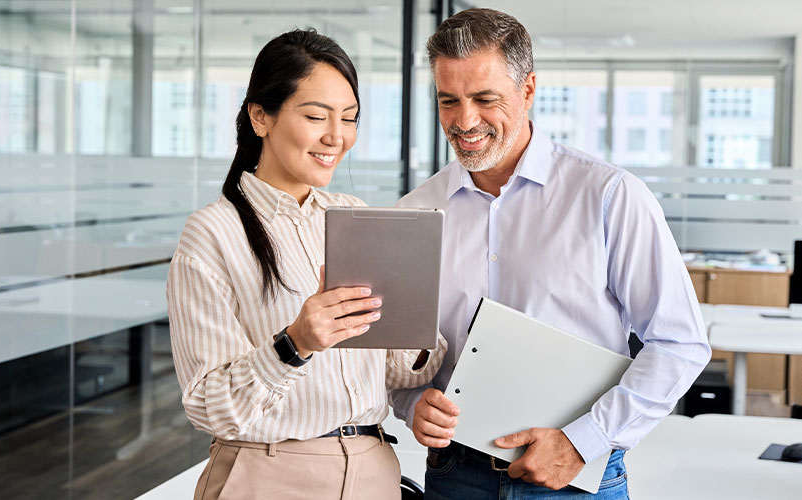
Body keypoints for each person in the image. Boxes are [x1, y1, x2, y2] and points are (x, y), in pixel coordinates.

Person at [389, 8, 711, 499]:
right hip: (456, 477)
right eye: (448, 100)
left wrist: (584, 442)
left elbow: (679, 343)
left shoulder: (608, 196)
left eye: (484, 98)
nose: (464, 121)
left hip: (574, 480)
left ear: (529, 90)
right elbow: (399, 359)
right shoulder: (416, 212)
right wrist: (414, 404)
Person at [166, 29, 446, 500]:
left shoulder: (352, 214)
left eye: (350, 119)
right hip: (270, 475)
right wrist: (295, 344)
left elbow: (401, 372)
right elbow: (209, 407)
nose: (336, 137)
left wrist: (417, 317)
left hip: (373, 471)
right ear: (261, 117)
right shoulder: (212, 233)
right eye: (315, 116)